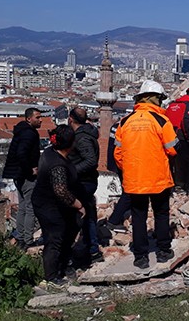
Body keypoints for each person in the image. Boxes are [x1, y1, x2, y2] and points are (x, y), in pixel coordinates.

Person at [114, 80, 179, 269]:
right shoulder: (161, 121)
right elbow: (173, 149)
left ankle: (140, 257)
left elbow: (118, 154)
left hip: (135, 179)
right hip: (158, 178)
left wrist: (130, 169)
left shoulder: (125, 122)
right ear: (154, 99)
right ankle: (163, 251)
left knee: (139, 217)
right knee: (161, 214)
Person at [32, 125, 86, 286]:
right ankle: (52, 277)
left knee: (66, 232)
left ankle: (64, 264)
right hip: (48, 205)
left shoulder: (51, 152)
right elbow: (61, 191)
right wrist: (78, 205)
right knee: (54, 239)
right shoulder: (57, 165)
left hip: (52, 204)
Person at [3, 108, 42, 250]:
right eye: (37, 117)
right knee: (30, 208)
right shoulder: (29, 134)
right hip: (26, 176)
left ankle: (20, 236)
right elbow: (22, 154)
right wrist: (30, 170)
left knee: (22, 207)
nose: (41, 120)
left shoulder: (21, 131)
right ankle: (27, 239)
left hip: (18, 175)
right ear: (29, 119)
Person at [67, 107, 103, 263]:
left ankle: (90, 250)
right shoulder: (87, 134)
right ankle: (90, 248)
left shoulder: (82, 138)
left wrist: (71, 171)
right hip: (87, 180)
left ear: (70, 119)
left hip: (83, 182)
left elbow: (90, 161)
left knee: (82, 215)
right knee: (88, 214)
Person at [165, 86, 189, 194]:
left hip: (170, 137)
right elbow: (185, 121)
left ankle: (178, 185)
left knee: (178, 162)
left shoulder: (173, 104)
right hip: (182, 137)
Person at [106, 119, 129, 232]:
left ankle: (124, 212)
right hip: (124, 164)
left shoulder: (116, 125)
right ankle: (114, 220)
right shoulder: (126, 126)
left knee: (127, 191)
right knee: (129, 192)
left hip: (115, 163)